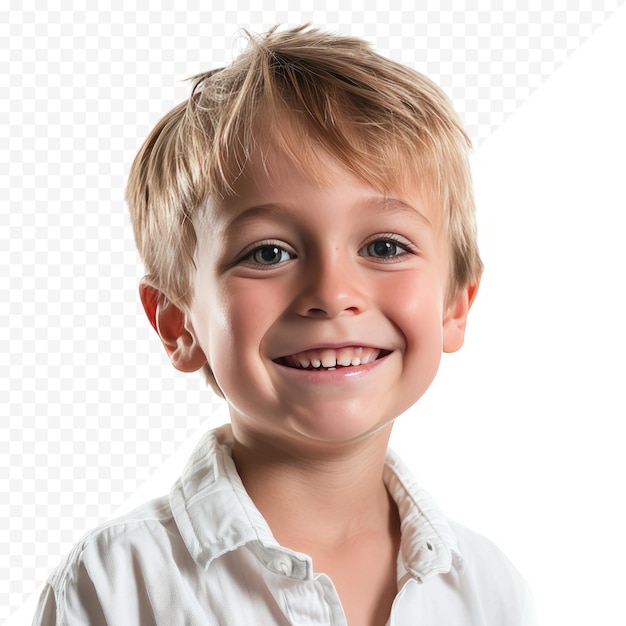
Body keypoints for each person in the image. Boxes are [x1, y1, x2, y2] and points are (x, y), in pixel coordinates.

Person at [33, 25, 535, 625]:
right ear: (177, 323)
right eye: (268, 253)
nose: (332, 294)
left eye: (383, 245)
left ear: (456, 302)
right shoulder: (118, 582)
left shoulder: (488, 591)